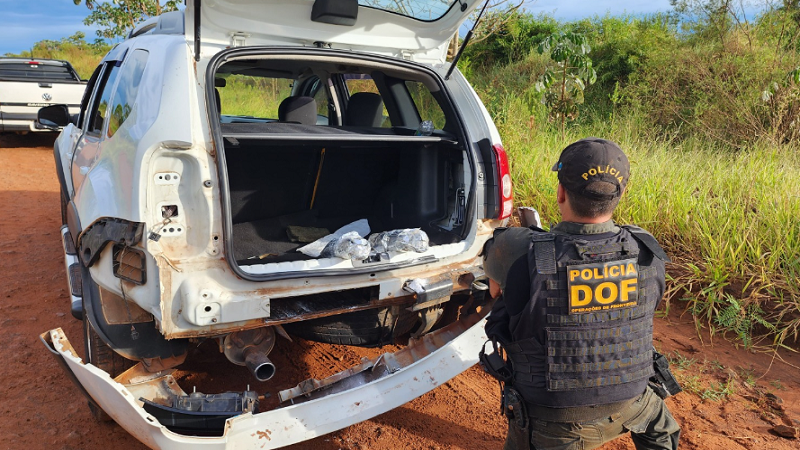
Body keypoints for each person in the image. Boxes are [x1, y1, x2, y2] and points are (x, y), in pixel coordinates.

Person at [481, 138, 681, 450]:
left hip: (556, 421)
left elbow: (495, 286)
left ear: (561, 192)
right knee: (663, 431)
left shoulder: (518, 249)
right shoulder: (645, 248)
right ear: (620, 193)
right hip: (635, 400)